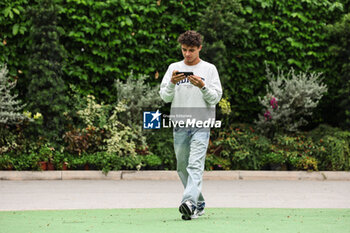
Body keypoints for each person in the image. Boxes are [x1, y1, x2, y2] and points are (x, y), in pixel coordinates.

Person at [159, 30, 222, 220]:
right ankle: (198, 203)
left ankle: (188, 202)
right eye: (184, 50)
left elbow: (216, 97)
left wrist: (202, 86)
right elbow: (164, 96)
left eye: (191, 50)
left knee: (195, 165)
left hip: (201, 124)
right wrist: (171, 83)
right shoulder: (173, 68)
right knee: (182, 166)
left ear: (200, 49)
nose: (187, 54)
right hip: (180, 124)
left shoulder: (209, 69)